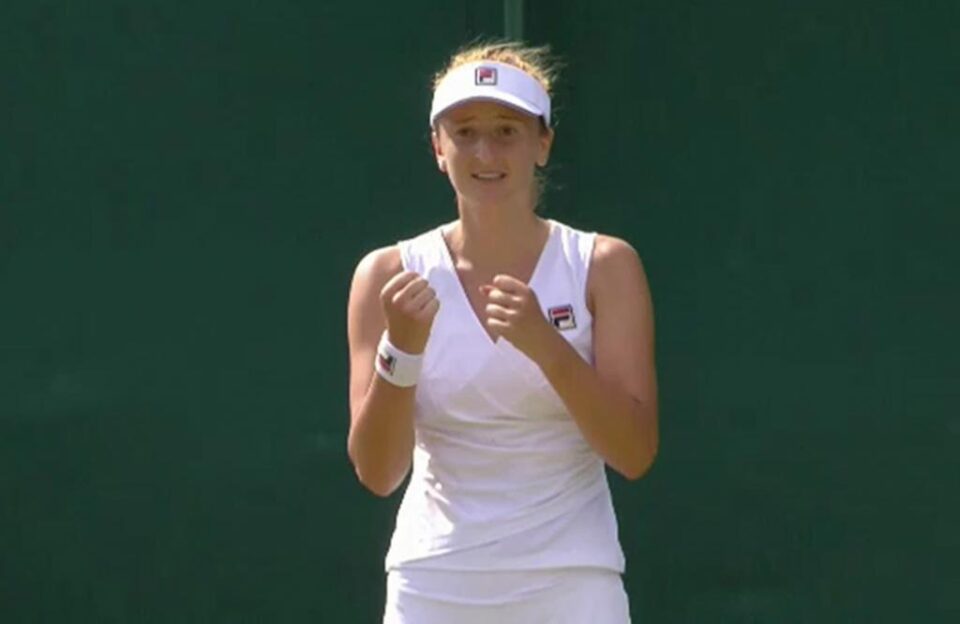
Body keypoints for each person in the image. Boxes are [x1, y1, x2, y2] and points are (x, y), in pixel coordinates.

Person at [346, 41, 658, 623]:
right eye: (464, 131)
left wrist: (547, 347)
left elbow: (634, 452)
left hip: (572, 582)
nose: (485, 150)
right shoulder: (385, 275)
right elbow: (377, 471)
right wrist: (402, 350)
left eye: (507, 131)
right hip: (434, 583)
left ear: (543, 143)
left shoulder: (604, 266)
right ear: (439, 149)